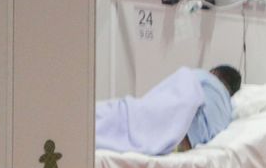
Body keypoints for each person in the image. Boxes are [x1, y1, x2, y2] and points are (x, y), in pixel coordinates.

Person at [94, 64, 241, 155]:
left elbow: (177, 94)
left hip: (174, 134)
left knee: (116, 114)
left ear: (214, 72)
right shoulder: (227, 113)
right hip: (184, 146)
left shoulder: (207, 78)